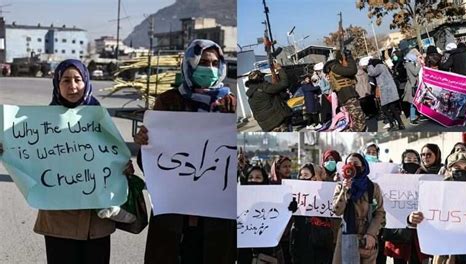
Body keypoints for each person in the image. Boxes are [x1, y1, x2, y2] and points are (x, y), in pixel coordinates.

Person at [133, 39, 236, 264]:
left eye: (214, 63)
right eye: (202, 62)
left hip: (214, 213)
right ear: (190, 64)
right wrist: (145, 143)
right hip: (174, 212)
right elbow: (150, 163)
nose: (209, 68)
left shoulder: (229, 105)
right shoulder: (168, 102)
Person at [25, 59, 132, 264]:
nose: (72, 86)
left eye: (78, 79)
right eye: (65, 80)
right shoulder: (42, 122)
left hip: (97, 221)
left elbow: (117, 155)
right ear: (57, 84)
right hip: (59, 220)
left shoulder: (99, 118)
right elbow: (28, 157)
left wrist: (124, 166)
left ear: (86, 82)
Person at [407, 152, 466, 263]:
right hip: (445, 254)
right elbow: (425, 218)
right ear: (448, 170)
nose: (462, 171)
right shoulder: (437, 192)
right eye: (456, 167)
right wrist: (412, 219)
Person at [332, 153, 385, 264]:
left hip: (366, 236)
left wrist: (371, 234)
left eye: (356, 164)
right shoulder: (341, 186)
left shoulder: (372, 187)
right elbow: (337, 211)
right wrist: (344, 191)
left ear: (363, 167)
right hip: (346, 235)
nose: (352, 167)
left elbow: (380, 213)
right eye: (349, 164)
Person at [384, 149, 429, 264]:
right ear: (403, 161)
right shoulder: (394, 178)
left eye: (415, 160)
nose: (412, 162)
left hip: (418, 233)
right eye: (408, 159)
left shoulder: (425, 178)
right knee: (400, 259)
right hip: (399, 233)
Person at [290, 163, 335, 264]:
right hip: (300, 240)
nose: (302, 178)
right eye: (300, 175)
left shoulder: (327, 193)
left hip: (321, 242)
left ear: (315, 177)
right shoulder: (294, 194)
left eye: (306, 175)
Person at [325, 50, 367, 132]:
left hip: (348, 95)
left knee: (359, 120)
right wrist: (349, 57)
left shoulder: (335, 67)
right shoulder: (335, 67)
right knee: (359, 120)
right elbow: (352, 70)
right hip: (347, 96)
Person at [245, 64, 292, 132]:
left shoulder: (250, 97)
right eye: (262, 77)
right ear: (260, 78)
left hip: (267, 127)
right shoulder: (264, 87)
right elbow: (284, 83)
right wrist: (279, 69)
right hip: (279, 123)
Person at [367, 58, 405, 131]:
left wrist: (370, 65)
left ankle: (393, 124)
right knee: (392, 108)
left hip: (386, 91)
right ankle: (400, 124)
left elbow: (372, 73)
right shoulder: (383, 65)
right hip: (389, 90)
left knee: (384, 108)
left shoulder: (379, 66)